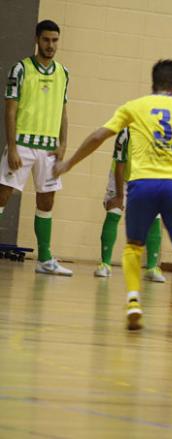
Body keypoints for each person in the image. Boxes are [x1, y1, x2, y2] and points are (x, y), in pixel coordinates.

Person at [54, 59, 172, 341]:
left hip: (141, 185)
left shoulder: (134, 106)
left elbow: (99, 136)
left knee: (133, 247)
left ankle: (132, 302)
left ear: (153, 83)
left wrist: (69, 164)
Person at [0, 20, 72, 276]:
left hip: (49, 149)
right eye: (46, 40)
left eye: (54, 40)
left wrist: (63, 143)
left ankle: (45, 259)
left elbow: (63, 111)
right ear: (37, 39)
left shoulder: (64, 73)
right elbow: (10, 110)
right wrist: (12, 146)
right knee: (2, 195)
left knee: (47, 200)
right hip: (21, 144)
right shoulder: (20, 69)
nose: (50, 45)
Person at [94, 128, 166, 283]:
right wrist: (120, 196)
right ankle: (105, 264)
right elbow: (120, 165)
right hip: (122, 176)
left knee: (155, 216)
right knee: (114, 210)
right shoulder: (126, 132)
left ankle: (152, 268)